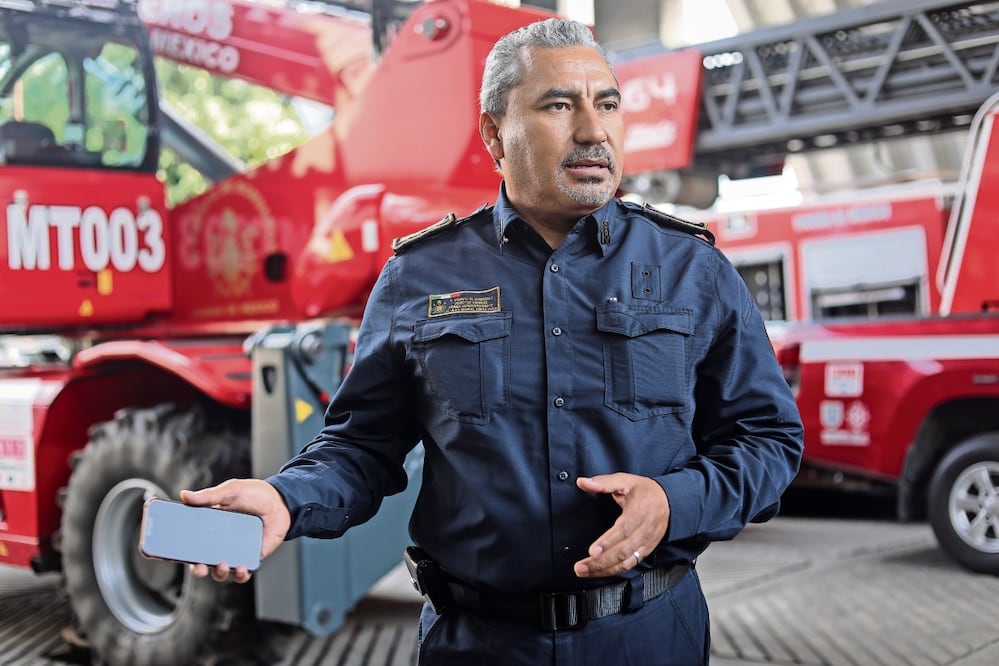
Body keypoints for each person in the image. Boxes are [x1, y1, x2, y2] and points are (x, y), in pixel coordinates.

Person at [183, 16, 804, 665]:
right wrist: (285, 498)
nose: (593, 131)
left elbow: (767, 442)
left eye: (608, 104)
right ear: (492, 134)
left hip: (646, 637)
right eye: (559, 105)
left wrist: (674, 503)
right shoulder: (419, 276)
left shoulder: (692, 270)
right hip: (477, 645)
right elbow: (362, 447)